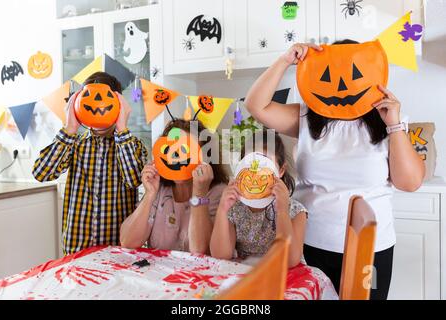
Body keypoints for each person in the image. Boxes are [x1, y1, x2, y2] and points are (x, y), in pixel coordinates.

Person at [244, 40, 425, 299]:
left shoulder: (387, 119)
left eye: (354, 75)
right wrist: (285, 60)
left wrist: (394, 124)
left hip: (370, 248)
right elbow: (256, 105)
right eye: (328, 75)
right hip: (312, 244)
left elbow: (410, 182)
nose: (341, 86)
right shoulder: (307, 116)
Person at [33, 72, 147, 255]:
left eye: (106, 100)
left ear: (118, 105)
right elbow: (41, 173)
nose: (98, 105)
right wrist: (70, 128)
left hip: (118, 251)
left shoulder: (133, 145)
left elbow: (133, 180)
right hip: (76, 250)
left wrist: (122, 128)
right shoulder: (73, 144)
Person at [120, 119, 229, 254]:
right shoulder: (159, 190)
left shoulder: (220, 194)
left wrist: (199, 195)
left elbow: (201, 251)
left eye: (186, 149)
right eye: (170, 148)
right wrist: (149, 195)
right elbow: (127, 241)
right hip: (157, 273)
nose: (177, 157)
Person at [210, 131, 307, 268]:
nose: (256, 173)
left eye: (264, 164)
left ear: (280, 170)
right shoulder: (234, 208)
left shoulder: (296, 211)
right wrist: (222, 209)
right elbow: (220, 255)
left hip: (286, 278)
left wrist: (282, 212)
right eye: (250, 164)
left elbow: (290, 260)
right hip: (246, 275)